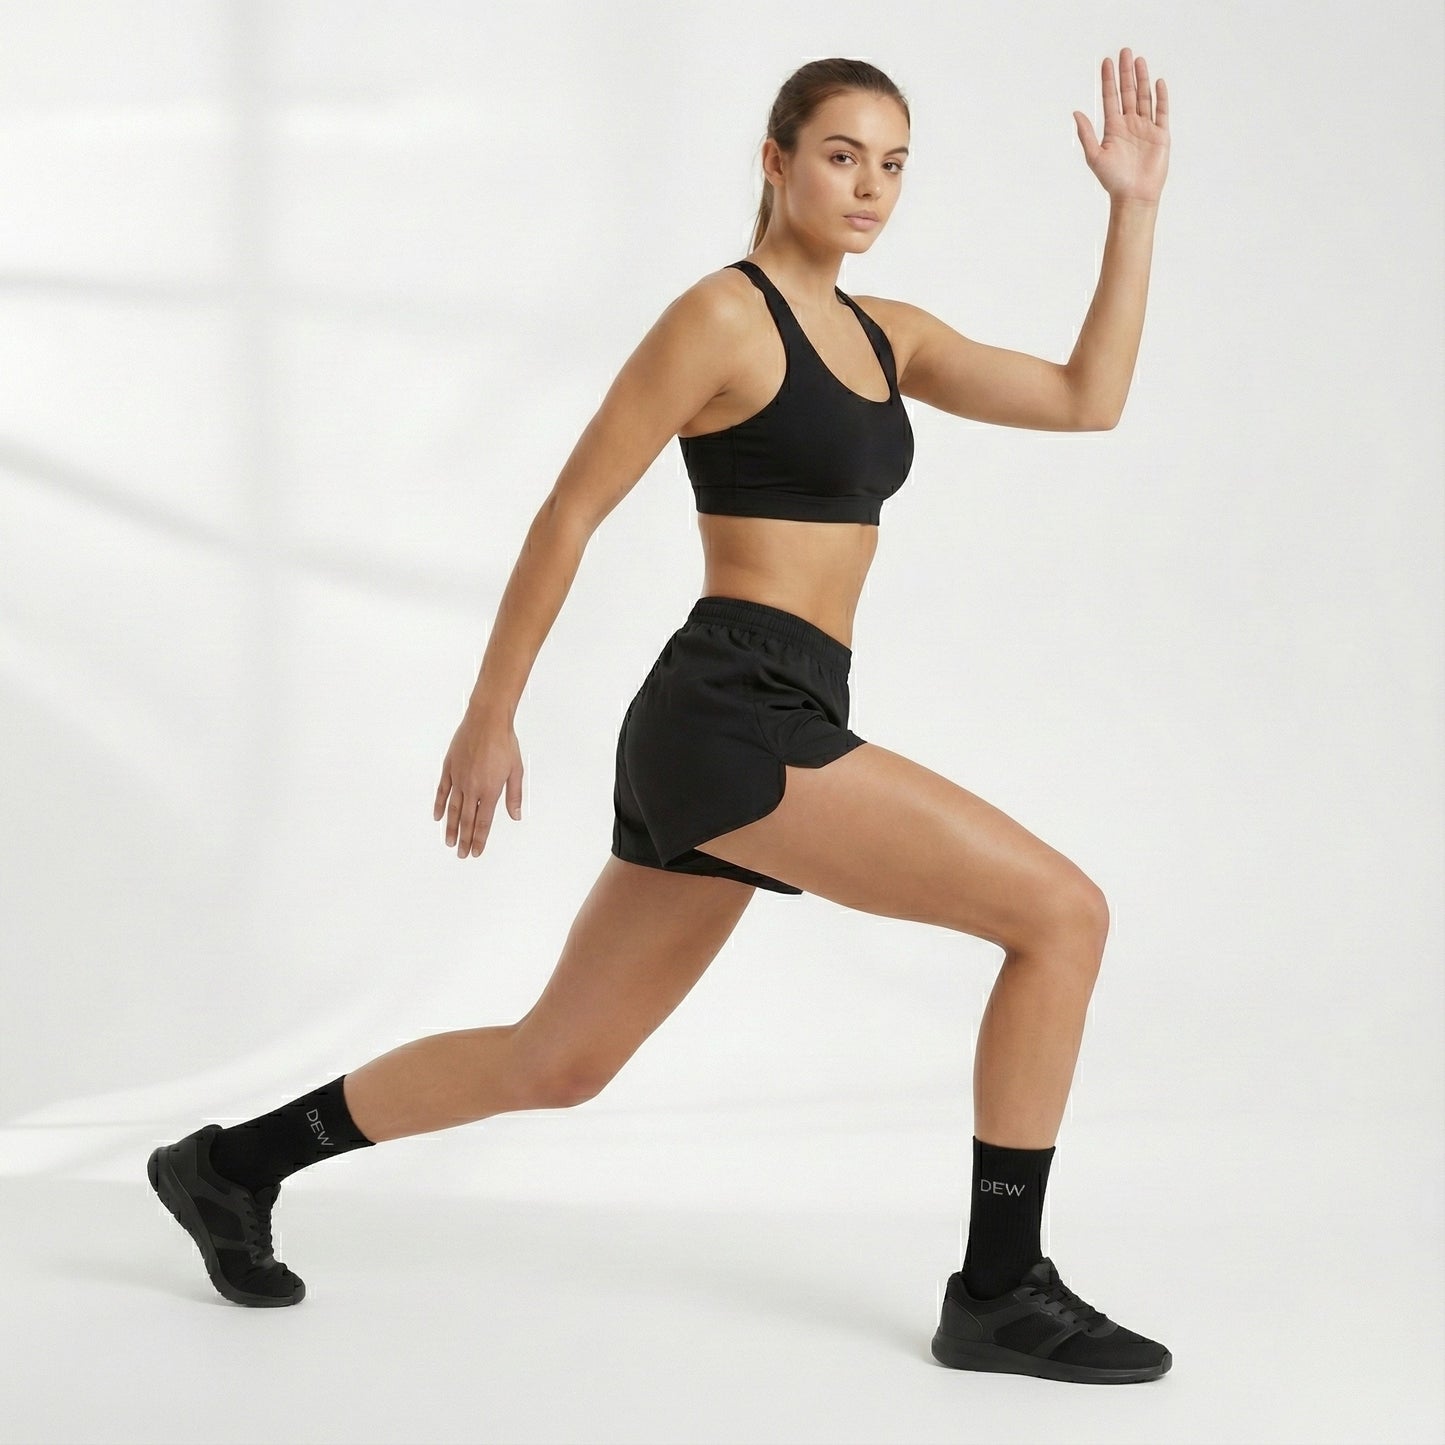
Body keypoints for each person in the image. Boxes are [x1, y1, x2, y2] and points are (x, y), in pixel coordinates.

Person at [148, 51, 1172, 1385]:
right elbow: (571, 508)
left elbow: (1086, 399)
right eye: (842, 154)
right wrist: (489, 711)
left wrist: (1131, 206)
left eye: (894, 162)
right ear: (775, 160)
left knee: (558, 1057)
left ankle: (230, 1165)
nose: (869, 186)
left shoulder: (887, 336)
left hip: (776, 706)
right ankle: (998, 1285)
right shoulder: (720, 319)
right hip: (729, 711)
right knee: (1059, 911)